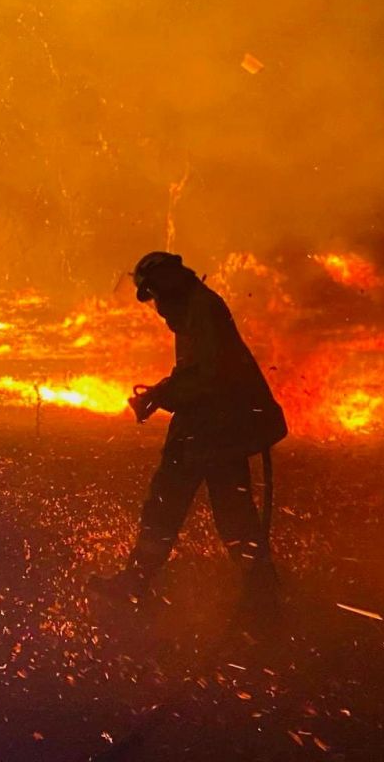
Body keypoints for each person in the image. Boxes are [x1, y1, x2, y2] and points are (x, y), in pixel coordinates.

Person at [90, 251, 287, 604]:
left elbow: (211, 377)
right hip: (212, 429)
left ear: (166, 285)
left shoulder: (202, 310)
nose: (158, 307)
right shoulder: (197, 308)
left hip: (212, 430)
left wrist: (164, 394)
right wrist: (165, 391)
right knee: (230, 513)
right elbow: (198, 371)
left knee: (170, 506)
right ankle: (262, 591)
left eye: (155, 295)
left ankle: (138, 583)